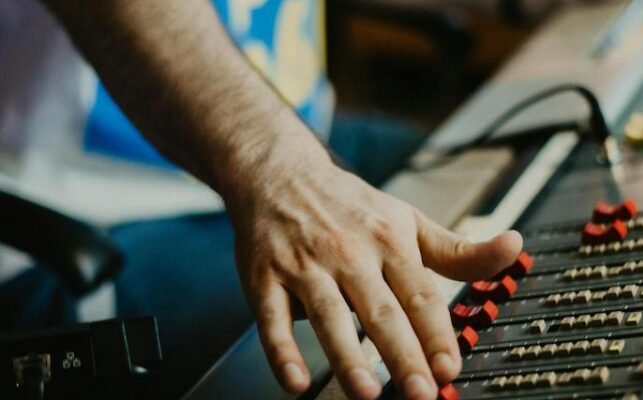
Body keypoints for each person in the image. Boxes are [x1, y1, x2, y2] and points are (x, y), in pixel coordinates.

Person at [6, 1, 522, 399]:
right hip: (86, 222)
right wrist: (281, 170)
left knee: (522, 165)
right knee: (364, 350)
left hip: (298, 131)